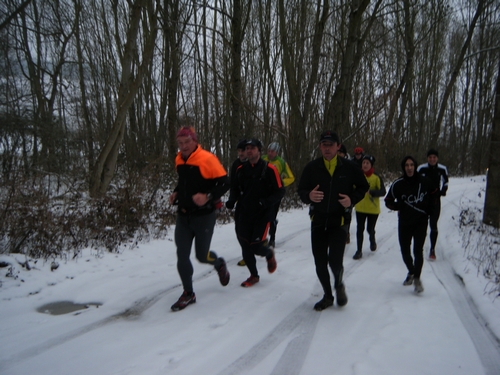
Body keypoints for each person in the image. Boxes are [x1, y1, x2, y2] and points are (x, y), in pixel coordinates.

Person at [298, 130, 369, 311]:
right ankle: (328, 296)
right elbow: (301, 190)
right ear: (320, 147)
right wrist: (309, 195)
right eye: (324, 145)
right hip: (318, 221)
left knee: (335, 261)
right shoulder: (312, 168)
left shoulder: (350, 167)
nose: (327, 148)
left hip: (339, 222)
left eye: (331, 145)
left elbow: (363, 186)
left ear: (338, 147)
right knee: (320, 262)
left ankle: (339, 285)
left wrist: (351, 199)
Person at [169, 126, 231, 311]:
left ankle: (219, 264)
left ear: (195, 141)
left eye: (187, 142)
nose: (183, 146)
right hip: (183, 215)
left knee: (202, 256)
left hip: (204, 215)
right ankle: (188, 293)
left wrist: (208, 196)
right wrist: (176, 192)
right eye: (180, 143)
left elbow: (225, 183)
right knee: (182, 254)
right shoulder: (179, 159)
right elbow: (183, 181)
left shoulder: (207, 158)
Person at [226, 138, 285, 287]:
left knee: (256, 246)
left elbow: (280, 192)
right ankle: (253, 275)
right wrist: (232, 200)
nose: (249, 151)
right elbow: (234, 187)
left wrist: (265, 202)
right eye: (247, 148)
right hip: (244, 212)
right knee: (245, 245)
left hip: (262, 214)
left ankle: (268, 254)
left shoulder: (269, 169)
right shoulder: (241, 169)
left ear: (259, 151)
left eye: (252, 148)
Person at [385, 156, 438, 293]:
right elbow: (388, 200)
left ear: (415, 166)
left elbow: (434, 195)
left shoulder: (425, 182)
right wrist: (399, 206)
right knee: (405, 250)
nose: (409, 168)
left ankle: (417, 279)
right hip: (405, 222)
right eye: (406, 165)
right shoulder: (398, 184)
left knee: (418, 251)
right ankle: (411, 271)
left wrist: (431, 211)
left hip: (421, 222)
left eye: (411, 165)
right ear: (403, 168)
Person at [417, 149, 449, 260]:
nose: (432, 159)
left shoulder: (442, 169)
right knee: (422, 224)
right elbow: (415, 181)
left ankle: (432, 249)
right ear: (427, 158)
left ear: (437, 158)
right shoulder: (421, 168)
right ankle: (419, 247)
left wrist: (442, 191)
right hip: (423, 200)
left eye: (434, 157)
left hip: (435, 201)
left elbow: (446, 181)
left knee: (433, 225)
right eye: (430, 157)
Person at [262, 142, 295, 248]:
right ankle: (261, 238)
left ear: (277, 152)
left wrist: (280, 183)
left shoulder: (281, 162)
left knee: (271, 216)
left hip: (275, 194)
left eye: (272, 151)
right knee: (262, 216)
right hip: (263, 193)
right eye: (269, 151)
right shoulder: (262, 159)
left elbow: (291, 177)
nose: (270, 153)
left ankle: (272, 239)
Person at [353, 155, 386, 260]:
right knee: (360, 229)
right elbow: (352, 188)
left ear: (371, 165)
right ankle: (359, 251)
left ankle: (372, 239)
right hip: (360, 208)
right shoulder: (358, 176)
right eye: (363, 163)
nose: (365, 165)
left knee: (369, 228)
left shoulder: (376, 177)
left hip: (373, 209)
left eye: (367, 163)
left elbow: (383, 192)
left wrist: (371, 192)